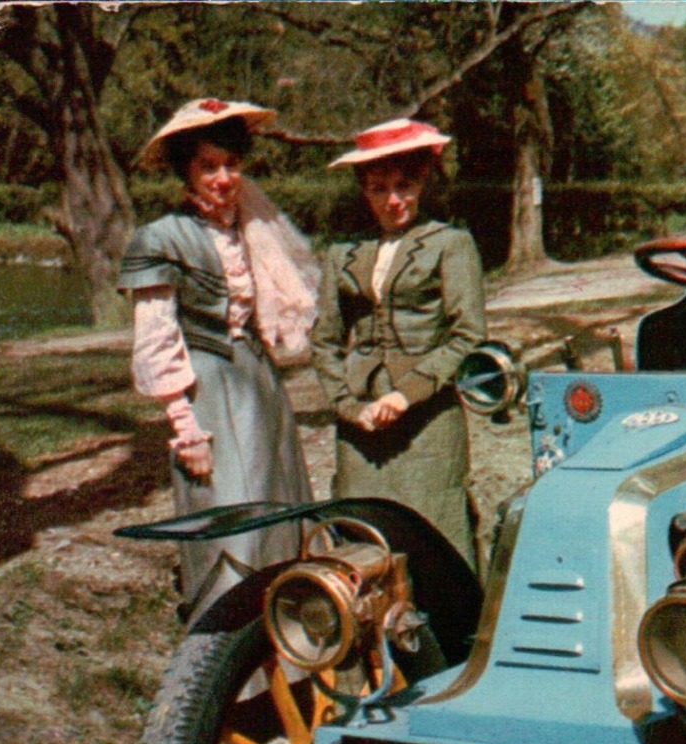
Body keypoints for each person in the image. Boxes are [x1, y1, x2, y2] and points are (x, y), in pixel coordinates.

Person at [119, 98, 319, 619]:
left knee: (281, 519)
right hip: (207, 392)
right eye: (208, 166)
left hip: (262, 388)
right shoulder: (162, 239)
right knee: (233, 526)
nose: (223, 178)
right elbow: (157, 337)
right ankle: (230, 671)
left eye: (231, 165)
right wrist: (185, 427)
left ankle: (292, 653)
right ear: (186, 168)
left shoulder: (251, 228)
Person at [312, 118, 486, 571]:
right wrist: (350, 406)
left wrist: (405, 394)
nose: (393, 200)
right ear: (363, 190)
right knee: (363, 539)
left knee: (436, 540)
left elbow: (468, 335)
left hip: (427, 424)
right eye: (378, 188)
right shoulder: (342, 253)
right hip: (362, 429)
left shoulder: (451, 244)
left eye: (404, 185)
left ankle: (452, 639)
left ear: (423, 182)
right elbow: (325, 340)